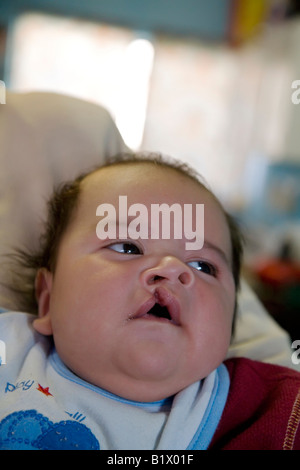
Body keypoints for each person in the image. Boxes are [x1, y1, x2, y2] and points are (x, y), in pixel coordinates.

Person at [0, 152, 299, 450]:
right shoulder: (9, 346)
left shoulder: (267, 409)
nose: (171, 269)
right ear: (48, 298)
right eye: (127, 247)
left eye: (202, 266)